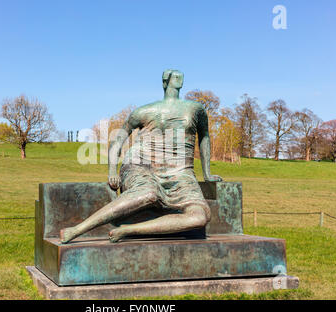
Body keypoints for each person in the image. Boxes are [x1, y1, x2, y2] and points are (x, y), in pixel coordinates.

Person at [60, 69, 222, 243]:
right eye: (172, 76)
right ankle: (77, 230)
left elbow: (204, 137)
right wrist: (112, 171)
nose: (177, 77)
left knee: (200, 217)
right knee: (149, 193)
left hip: (181, 172)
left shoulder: (195, 109)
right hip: (141, 166)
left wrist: (207, 174)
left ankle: (129, 230)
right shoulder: (144, 111)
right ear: (164, 82)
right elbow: (117, 141)